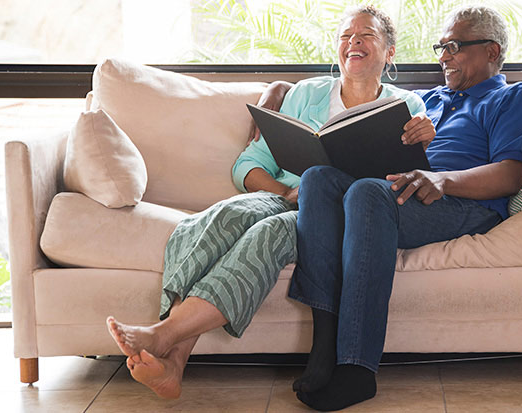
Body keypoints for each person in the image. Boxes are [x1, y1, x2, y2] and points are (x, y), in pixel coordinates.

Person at [104, 5, 434, 400]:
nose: (353, 42)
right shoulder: (306, 95)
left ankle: (165, 338)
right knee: (219, 217)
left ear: (390, 51)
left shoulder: (409, 108)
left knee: (268, 235)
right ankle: (174, 361)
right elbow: (248, 165)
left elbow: (403, 183)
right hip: (286, 196)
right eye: (345, 36)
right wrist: (283, 192)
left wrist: (423, 143)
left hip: (336, 220)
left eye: (365, 35)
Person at [282, 5, 522, 411]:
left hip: (462, 202)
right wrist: (279, 91)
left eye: (455, 47)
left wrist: (443, 180)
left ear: (492, 51)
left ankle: (357, 368)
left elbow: (512, 174)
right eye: (441, 47)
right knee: (319, 177)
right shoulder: (428, 100)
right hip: (407, 193)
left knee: (367, 194)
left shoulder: (514, 98)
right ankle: (323, 347)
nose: (443, 56)